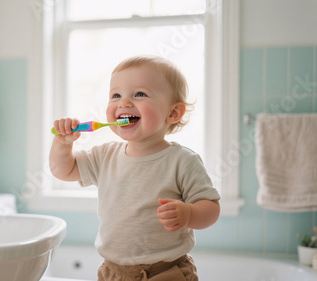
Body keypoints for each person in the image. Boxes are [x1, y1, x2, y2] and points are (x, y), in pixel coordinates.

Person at [49, 55, 221, 281]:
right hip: (114, 272)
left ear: (173, 113)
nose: (124, 103)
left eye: (139, 94)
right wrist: (63, 144)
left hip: (166, 271)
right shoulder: (104, 155)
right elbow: (63, 170)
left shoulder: (182, 160)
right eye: (116, 95)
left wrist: (189, 213)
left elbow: (211, 207)